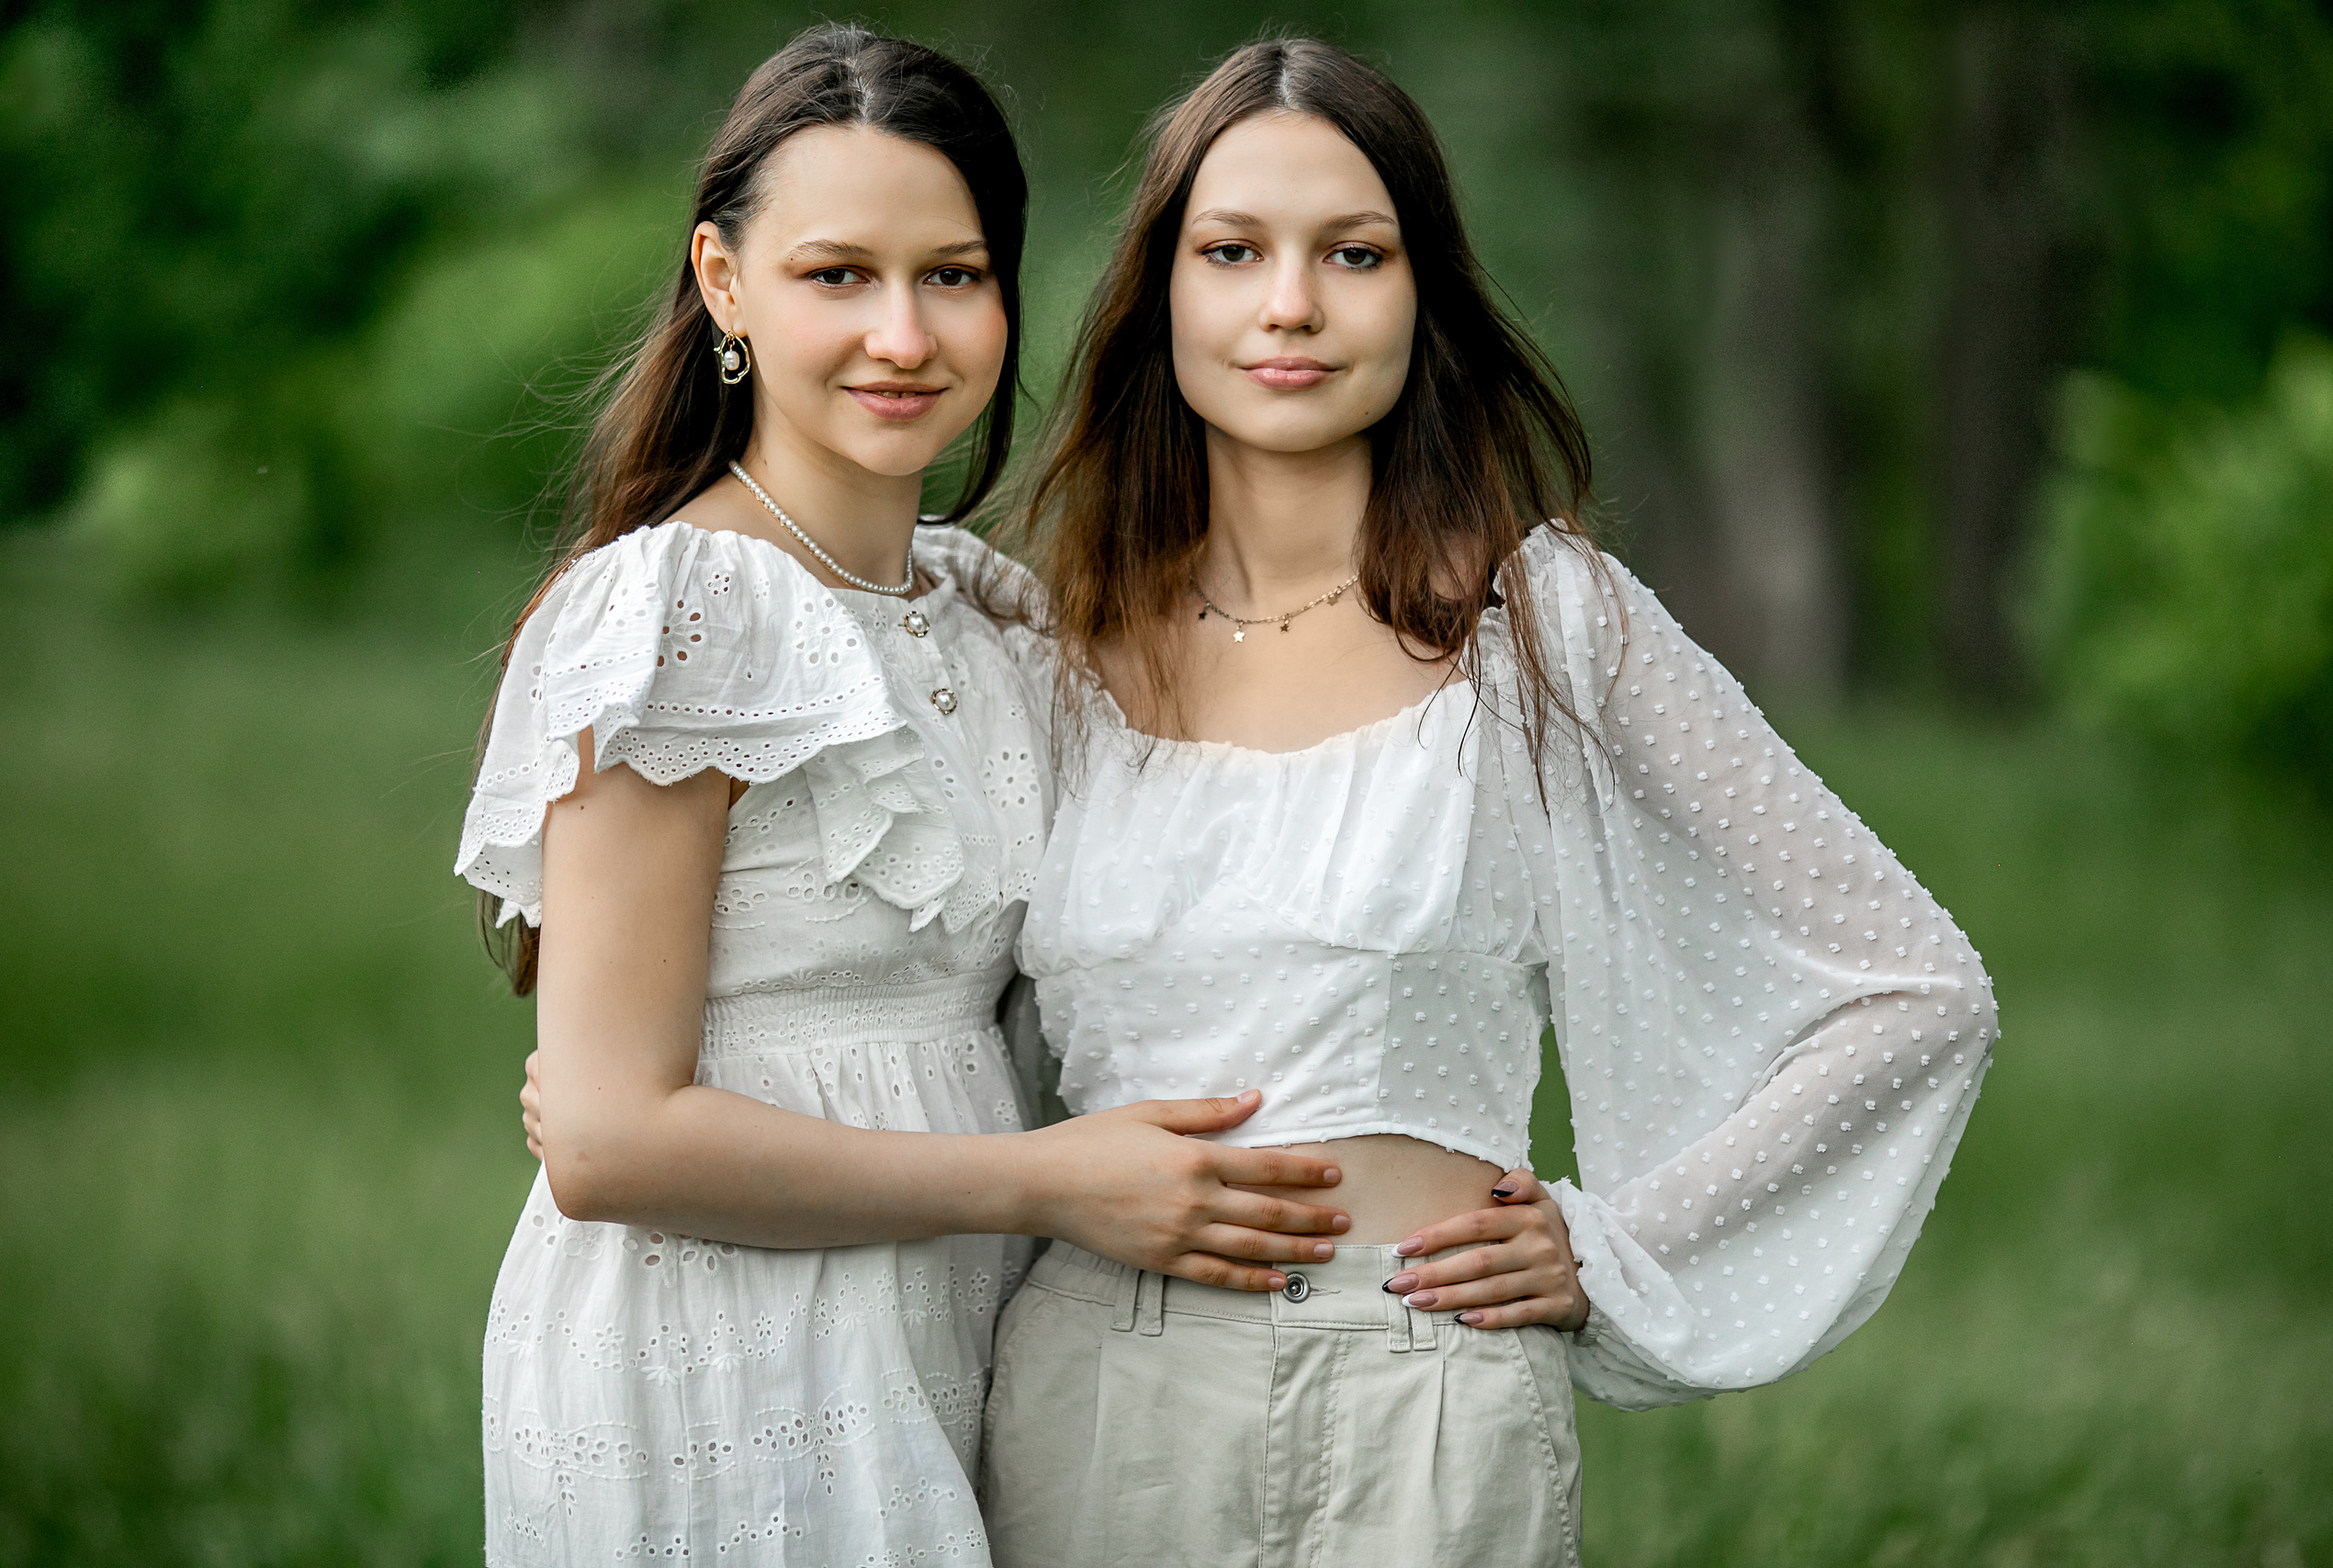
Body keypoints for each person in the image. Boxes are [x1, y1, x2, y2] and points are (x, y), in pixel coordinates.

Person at [980, 38, 1999, 1568]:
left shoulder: (1545, 625)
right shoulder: (1045, 649)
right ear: (1161, 294)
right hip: (1098, 1399)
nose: (1291, 306)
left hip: (1428, 1402)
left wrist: (1620, 1243)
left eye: (1355, 254)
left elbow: (1917, 988)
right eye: (1233, 251)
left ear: (1424, 296)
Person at [457, 27, 1373, 1564]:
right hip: (718, 1350)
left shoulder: (987, 616)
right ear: (724, 283)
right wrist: (1043, 1185)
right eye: (837, 277)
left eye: (952, 275)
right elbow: (610, 1141)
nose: (903, 333)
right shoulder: (679, 606)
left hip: (945, 1331)